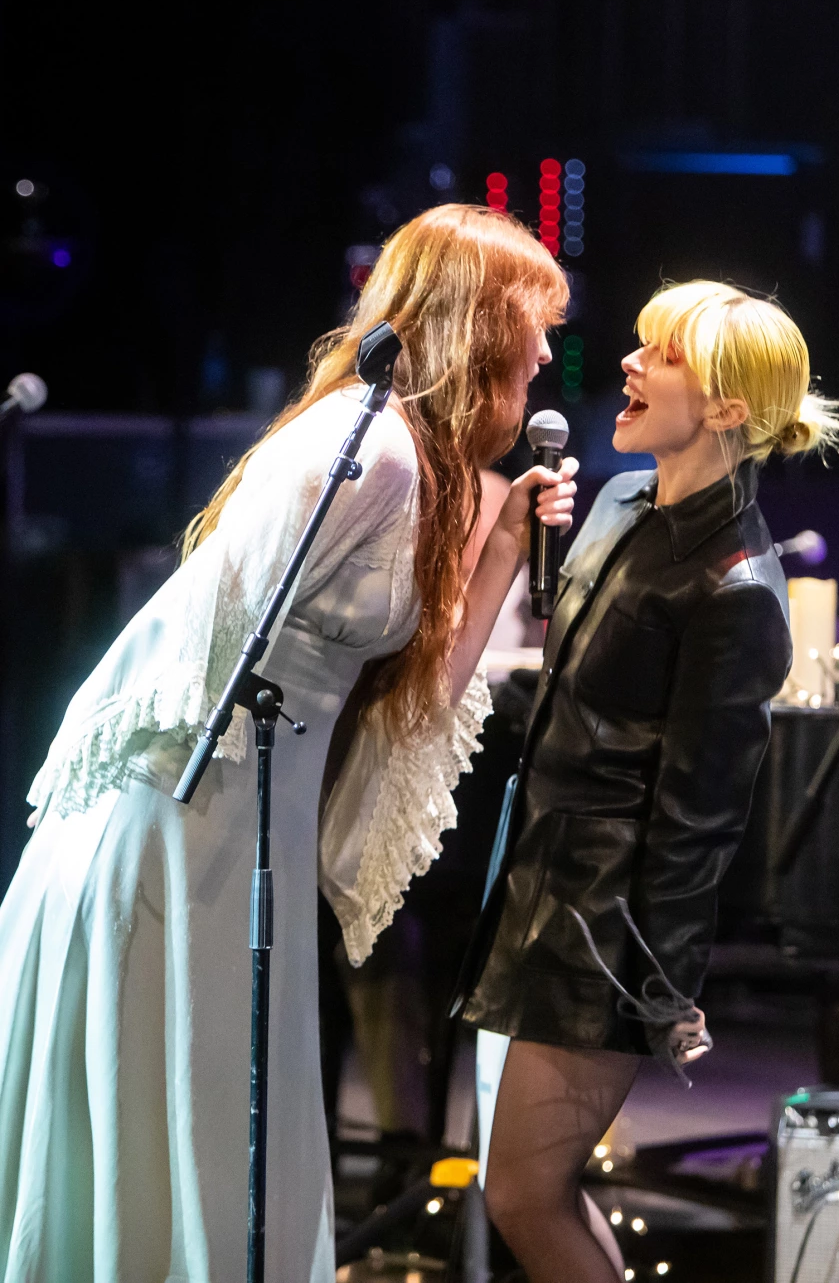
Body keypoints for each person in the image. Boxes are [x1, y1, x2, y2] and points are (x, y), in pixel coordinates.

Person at [0, 203, 578, 1283]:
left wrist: (503, 545)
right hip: (189, 824)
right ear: (475, 323)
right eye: (533, 322)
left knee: (216, 1117)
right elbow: (200, 640)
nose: (546, 351)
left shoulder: (415, 461)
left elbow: (412, 704)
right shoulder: (365, 455)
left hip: (231, 829)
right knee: (189, 1107)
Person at [456, 280, 839, 1283]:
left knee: (522, 1194)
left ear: (726, 407)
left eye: (661, 355)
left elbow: (698, 819)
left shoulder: (735, 590)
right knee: (524, 1194)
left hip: (603, 923)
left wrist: (658, 985)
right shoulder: (621, 500)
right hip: (539, 886)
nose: (628, 364)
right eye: (637, 345)